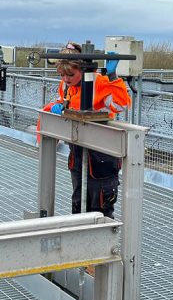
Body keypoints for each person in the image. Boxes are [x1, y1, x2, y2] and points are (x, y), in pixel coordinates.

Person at [42, 42, 131, 218]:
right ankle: (78, 240)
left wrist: (112, 76)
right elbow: (65, 100)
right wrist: (59, 106)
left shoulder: (99, 83)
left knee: (99, 207)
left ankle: (102, 244)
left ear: (82, 69)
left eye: (70, 74)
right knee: (78, 202)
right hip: (77, 149)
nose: (66, 79)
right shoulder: (66, 85)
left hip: (101, 155)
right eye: (62, 75)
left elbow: (120, 105)